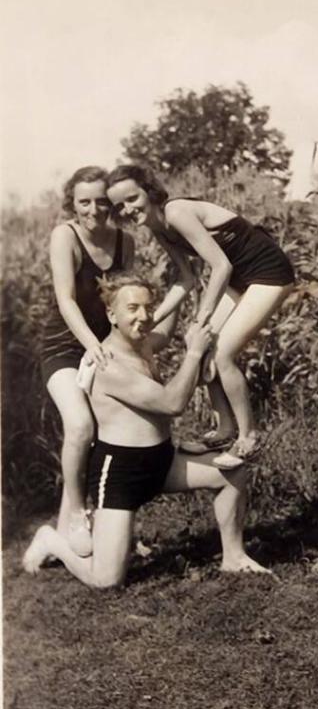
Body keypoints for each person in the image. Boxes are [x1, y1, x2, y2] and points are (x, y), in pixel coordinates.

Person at [24, 274, 271, 588]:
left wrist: (183, 279)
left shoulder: (144, 344)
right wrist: (195, 352)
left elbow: (165, 331)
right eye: (132, 308)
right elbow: (172, 403)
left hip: (162, 462)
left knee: (232, 473)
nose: (143, 316)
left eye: (148, 307)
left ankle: (233, 557)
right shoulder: (107, 363)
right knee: (106, 580)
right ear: (112, 315)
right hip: (121, 476)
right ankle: (51, 540)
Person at [41, 166, 192, 557]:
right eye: (84, 202)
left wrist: (144, 335)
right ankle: (76, 515)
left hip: (106, 346)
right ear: (71, 204)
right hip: (66, 348)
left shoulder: (124, 242)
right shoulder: (66, 236)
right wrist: (93, 346)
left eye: (102, 202)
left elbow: (122, 299)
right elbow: (66, 300)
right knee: (80, 425)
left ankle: (112, 527)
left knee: (120, 431)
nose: (94, 210)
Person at [106, 164, 296, 467]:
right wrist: (155, 317)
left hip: (268, 272)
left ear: (148, 191)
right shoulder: (159, 229)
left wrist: (201, 317)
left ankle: (249, 438)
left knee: (222, 355)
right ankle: (225, 429)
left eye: (132, 199)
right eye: (120, 206)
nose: (128, 209)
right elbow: (186, 279)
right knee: (199, 344)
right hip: (242, 278)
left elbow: (221, 266)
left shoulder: (177, 213)